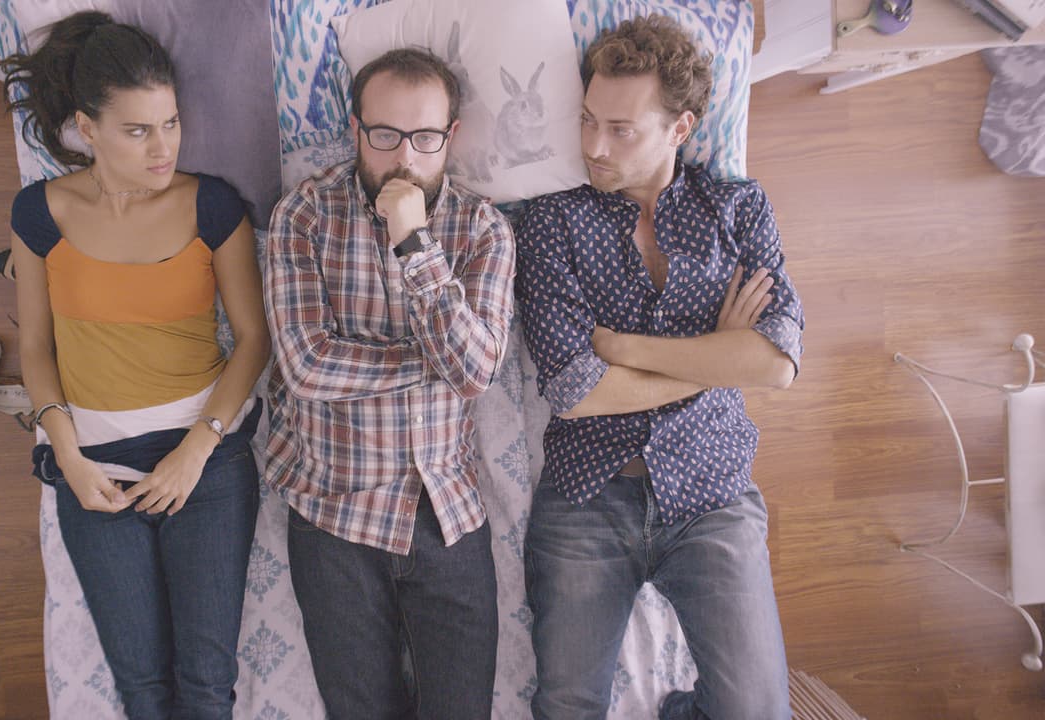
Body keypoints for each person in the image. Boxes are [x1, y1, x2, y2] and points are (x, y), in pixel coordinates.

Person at [515, 15, 805, 720]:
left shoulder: (737, 209)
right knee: (565, 708)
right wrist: (719, 356)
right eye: (588, 121)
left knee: (756, 712)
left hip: (713, 493)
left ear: (681, 128)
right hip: (588, 492)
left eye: (621, 130)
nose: (593, 146)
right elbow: (576, 392)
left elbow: (775, 363)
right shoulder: (551, 222)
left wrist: (625, 347)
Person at [0, 12, 270, 719]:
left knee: (205, 687)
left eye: (171, 123)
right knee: (142, 692)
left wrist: (196, 450)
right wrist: (69, 458)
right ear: (87, 129)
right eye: (138, 130)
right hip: (93, 469)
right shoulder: (39, 214)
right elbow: (36, 348)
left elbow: (253, 340)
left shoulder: (212, 205)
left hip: (204, 466)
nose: (163, 147)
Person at [262, 48, 515, 720]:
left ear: (451, 136)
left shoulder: (483, 229)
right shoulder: (304, 215)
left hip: (447, 513)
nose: (405, 158)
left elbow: (476, 374)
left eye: (425, 137)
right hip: (333, 511)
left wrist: (414, 243)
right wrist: (434, 361)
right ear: (355, 129)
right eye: (384, 135)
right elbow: (307, 365)